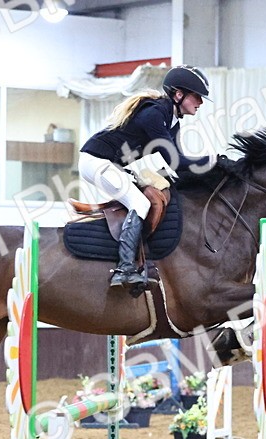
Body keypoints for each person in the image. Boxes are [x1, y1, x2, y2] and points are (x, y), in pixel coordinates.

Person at [79, 65, 212, 289]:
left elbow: (177, 165)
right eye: (197, 96)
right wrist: (212, 162)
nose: (200, 103)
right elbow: (174, 161)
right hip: (95, 162)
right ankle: (124, 269)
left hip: (112, 165)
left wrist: (208, 172)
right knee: (140, 203)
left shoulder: (172, 122)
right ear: (179, 95)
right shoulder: (154, 114)